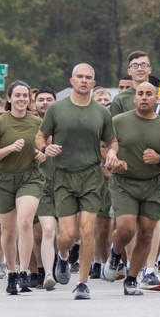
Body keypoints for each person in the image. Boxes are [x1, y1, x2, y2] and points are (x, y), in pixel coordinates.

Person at [36, 63, 117, 300]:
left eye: (88, 78)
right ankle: (62, 256)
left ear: (93, 83)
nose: (83, 80)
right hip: (63, 176)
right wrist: (45, 147)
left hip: (91, 175)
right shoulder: (57, 109)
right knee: (68, 235)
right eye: (79, 77)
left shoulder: (102, 113)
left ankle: (83, 283)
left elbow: (112, 141)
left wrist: (112, 152)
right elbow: (40, 135)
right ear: (72, 81)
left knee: (87, 229)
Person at [104, 83, 160, 295]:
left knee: (146, 234)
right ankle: (115, 253)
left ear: (156, 99)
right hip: (124, 183)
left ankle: (131, 279)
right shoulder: (118, 121)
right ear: (134, 99)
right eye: (140, 94)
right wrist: (113, 159)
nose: (144, 97)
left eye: (149, 94)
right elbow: (105, 147)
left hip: (153, 185)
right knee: (127, 229)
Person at [0, 80, 46, 295]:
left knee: (25, 221)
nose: (22, 99)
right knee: (8, 231)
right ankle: (11, 272)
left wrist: (42, 154)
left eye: (25, 95)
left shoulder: (37, 122)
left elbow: (44, 149)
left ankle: (23, 272)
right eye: (17, 95)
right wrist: (10, 148)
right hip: (5, 180)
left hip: (30, 177)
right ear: (9, 99)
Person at [31, 86, 59, 290]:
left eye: (49, 99)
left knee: (61, 232)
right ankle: (41, 270)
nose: (45, 102)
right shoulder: (29, 125)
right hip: (35, 183)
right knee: (39, 232)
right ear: (34, 103)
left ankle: (59, 261)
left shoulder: (61, 125)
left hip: (60, 182)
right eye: (41, 99)